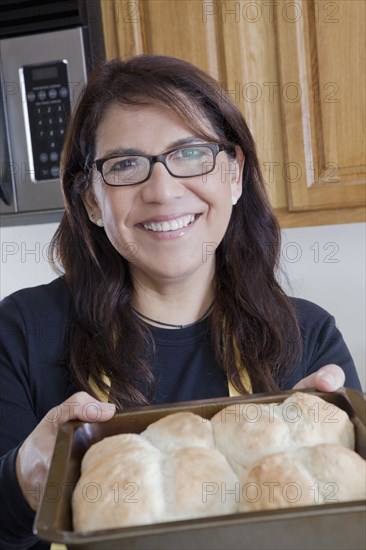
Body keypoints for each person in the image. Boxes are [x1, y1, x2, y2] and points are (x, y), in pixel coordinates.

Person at [0, 55, 362, 549]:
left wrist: (307, 470)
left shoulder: (309, 336)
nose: (163, 191)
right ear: (90, 200)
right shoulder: (22, 332)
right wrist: (23, 480)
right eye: (125, 164)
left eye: (190, 153)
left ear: (234, 175)